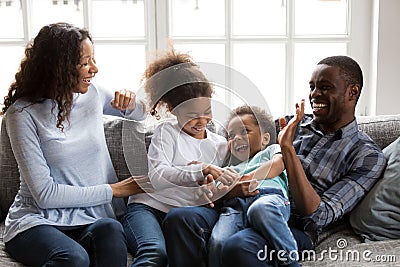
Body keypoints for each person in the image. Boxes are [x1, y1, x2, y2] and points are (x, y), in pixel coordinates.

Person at [163, 55, 387, 267]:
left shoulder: (366, 156)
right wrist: (212, 184)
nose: (315, 95)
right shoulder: (289, 122)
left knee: (239, 246)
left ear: (352, 92)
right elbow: (241, 151)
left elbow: (317, 215)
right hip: (241, 204)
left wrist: (287, 149)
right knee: (180, 218)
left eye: (325, 87)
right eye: (312, 87)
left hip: (291, 225)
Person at [2, 22, 148, 267]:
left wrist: (131, 103)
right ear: (59, 67)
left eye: (93, 59)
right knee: (74, 259)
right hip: (37, 221)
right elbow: (45, 195)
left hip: (91, 218)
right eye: (84, 63)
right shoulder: (22, 114)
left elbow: (142, 114)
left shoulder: (92, 94)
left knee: (111, 229)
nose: (95, 68)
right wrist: (114, 190)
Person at [120, 49, 238, 267]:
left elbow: (215, 189)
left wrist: (208, 188)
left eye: (208, 111)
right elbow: (157, 176)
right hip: (148, 209)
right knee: (154, 252)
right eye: (192, 116)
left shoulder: (220, 145)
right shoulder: (166, 132)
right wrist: (200, 169)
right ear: (174, 111)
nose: (202, 120)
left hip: (182, 218)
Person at [207, 105, 299, 267]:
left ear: (264, 138)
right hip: (235, 208)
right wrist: (208, 183)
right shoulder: (230, 169)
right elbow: (216, 192)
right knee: (218, 241)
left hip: (269, 197)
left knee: (261, 209)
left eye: (244, 131)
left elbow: (278, 165)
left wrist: (248, 177)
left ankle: (291, 263)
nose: (236, 138)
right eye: (231, 135)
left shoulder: (271, 150)